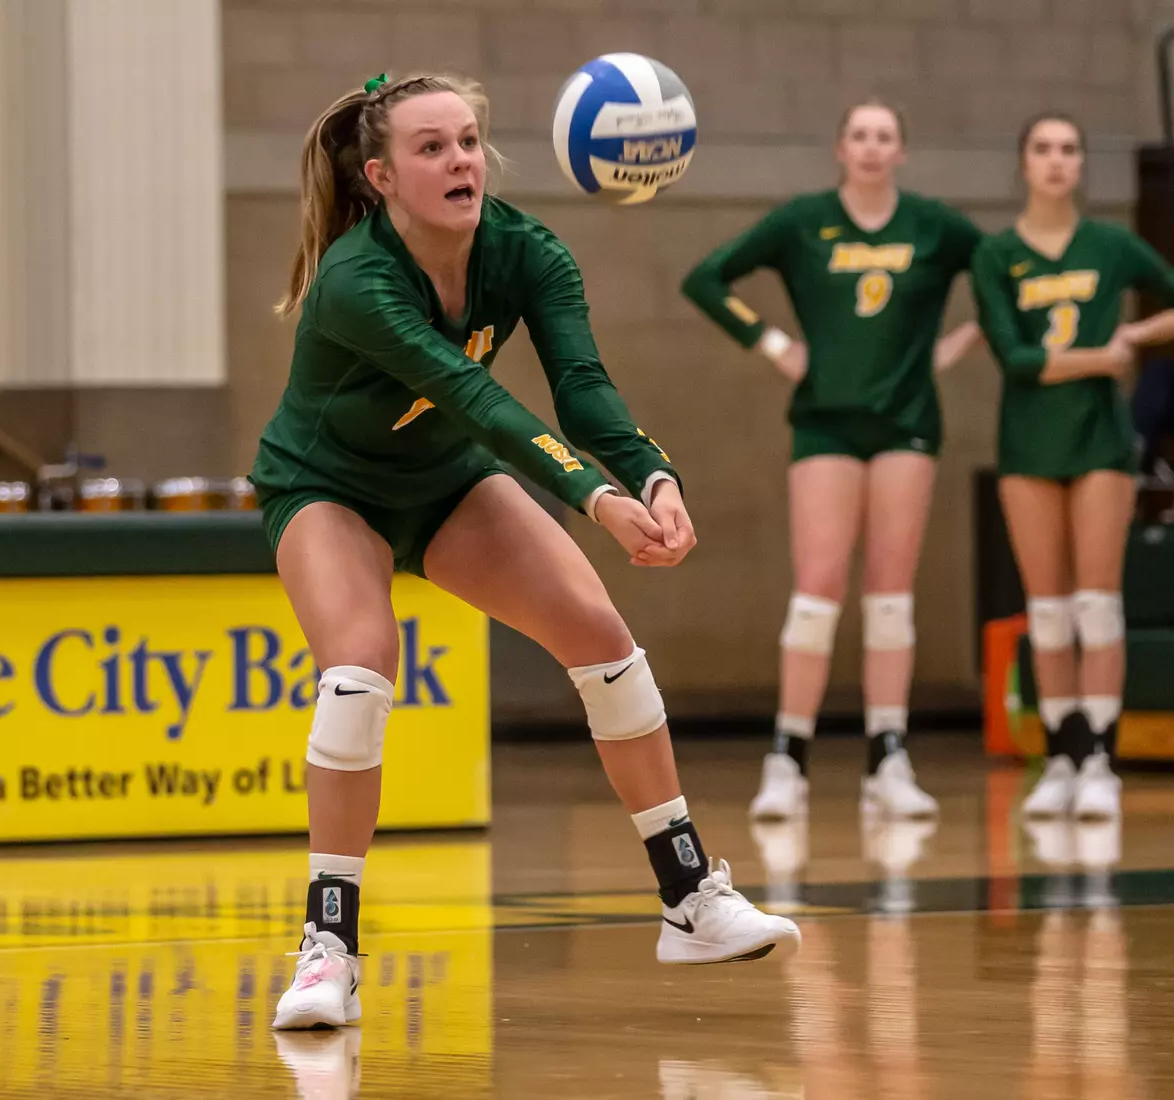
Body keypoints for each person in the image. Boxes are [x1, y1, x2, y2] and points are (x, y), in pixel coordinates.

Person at [252, 73, 799, 1030]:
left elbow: (582, 385)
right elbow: (476, 398)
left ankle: (690, 900)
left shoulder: (525, 250)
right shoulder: (355, 280)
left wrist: (651, 474)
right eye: (432, 148)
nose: (461, 160)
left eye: (468, 141)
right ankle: (326, 950)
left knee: (600, 634)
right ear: (380, 175)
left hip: (444, 479)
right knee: (360, 666)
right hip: (327, 484)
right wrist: (593, 496)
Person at [681, 99, 984, 821]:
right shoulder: (802, 222)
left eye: (886, 135)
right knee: (818, 588)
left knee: (890, 591)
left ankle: (889, 757)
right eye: (860, 135)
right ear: (840, 148)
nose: (873, 147)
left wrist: (965, 340)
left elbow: (1006, 272)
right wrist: (774, 345)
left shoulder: (935, 226)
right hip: (825, 424)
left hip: (907, 424)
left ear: (901, 152)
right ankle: (788, 758)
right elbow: (705, 279)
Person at [969, 113, 1174, 821]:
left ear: (1081, 165)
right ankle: (1060, 755)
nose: (1057, 161)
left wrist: (1137, 332)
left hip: (1100, 441)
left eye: (1069, 149)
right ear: (1024, 165)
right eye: (1043, 149)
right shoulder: (998, 255)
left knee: (1097, 602)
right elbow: (1017, 358)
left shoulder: (1110, 244)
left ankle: (1099, 755)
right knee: (1049, 609)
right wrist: (1103, 357)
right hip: (1029, 443)